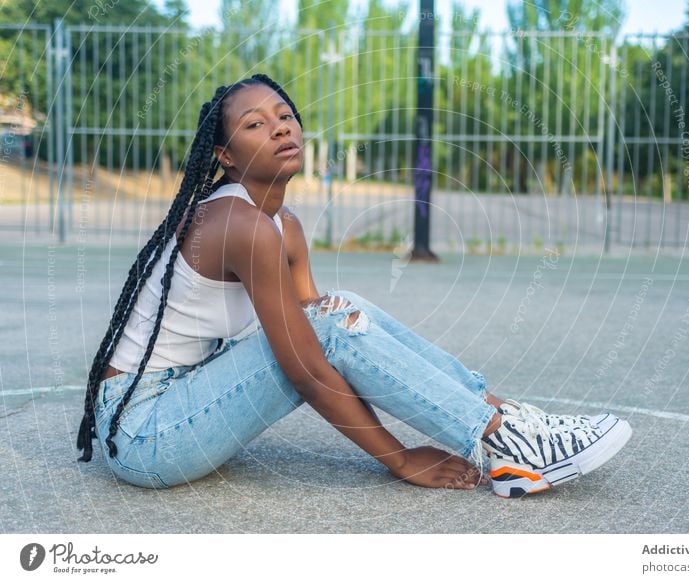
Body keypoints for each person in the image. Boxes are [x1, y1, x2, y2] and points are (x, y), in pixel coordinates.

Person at [75, 73, 631, 498]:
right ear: (224, 156)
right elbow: (309, 367)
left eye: (284, 114)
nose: (280, 127)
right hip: (147, 431)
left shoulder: (282, 226)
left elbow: (325, 322)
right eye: (254, 124)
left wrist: (339, 324)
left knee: (345, 308)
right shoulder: (237, 225)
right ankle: (507, 440)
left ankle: (509, 420)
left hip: (189, 396)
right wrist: (399, 459)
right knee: (331, 328)